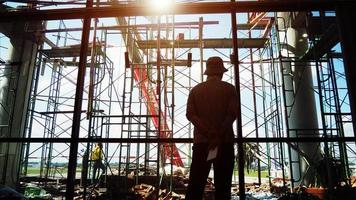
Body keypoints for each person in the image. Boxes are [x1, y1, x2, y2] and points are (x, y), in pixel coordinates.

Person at [185, 56, 238, 200]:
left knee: (195, 186)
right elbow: (232, 114)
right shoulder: (229, 89)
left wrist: (208, 133)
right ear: (221, 72)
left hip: (202, 143)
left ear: (207, 72)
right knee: (223, 187)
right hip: (224, 143)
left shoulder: (196, 90)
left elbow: (190, 115)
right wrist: (218, 134)